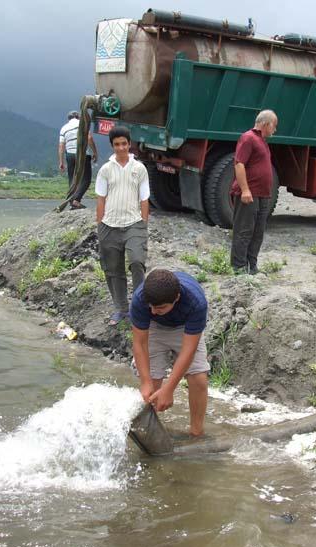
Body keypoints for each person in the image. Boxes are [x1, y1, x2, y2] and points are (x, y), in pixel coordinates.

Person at [130, 269, 210, 437]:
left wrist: (170, 388)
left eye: (159, 307)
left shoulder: (196, 302)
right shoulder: (140, 298)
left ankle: (197, 433)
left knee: (199, 378)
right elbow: (139, 342)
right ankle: (150, 434)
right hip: (154, 328)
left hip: (185, 329)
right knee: (151, 387)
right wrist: (145, 382)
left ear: (177, 298)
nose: (152, 310)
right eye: (150, 306)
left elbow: (189, 350)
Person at [95, 125, 149, 326]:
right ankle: (121, 309)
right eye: (116, 144)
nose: (120, 148)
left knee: (136, 262)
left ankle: (139, 307)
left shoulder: (139, 169)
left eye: (124, 144)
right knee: (113, 269)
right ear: (112, 146)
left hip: (134, 224)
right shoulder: (105, 170)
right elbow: (100, 199)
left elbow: (144, 199)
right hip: (109, 225)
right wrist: (101, 226)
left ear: (129, 144)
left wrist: (143, 224)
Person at [230, 109, 278, 274]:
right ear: (266, 124)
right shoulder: (248, 138)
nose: (275, 130)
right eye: (274, 126)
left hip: (262, 195)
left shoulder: (261, 140)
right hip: (250, 194)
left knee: (257, 233)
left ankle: (252, 266)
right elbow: (239, 163)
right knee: (244, 231)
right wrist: (245, 190)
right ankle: (238, 267)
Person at [58, 110, 98, 209]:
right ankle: (76, 200)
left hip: (70, 155)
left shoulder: (64, 128)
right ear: (78, 117)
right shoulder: (82, 124)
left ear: (69, 119)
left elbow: (61, 146)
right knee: (86, 179)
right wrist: (95, 152)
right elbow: (89, 138)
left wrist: (61, 162)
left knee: (72, 178)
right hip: (82, 154)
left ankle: (72, 201)